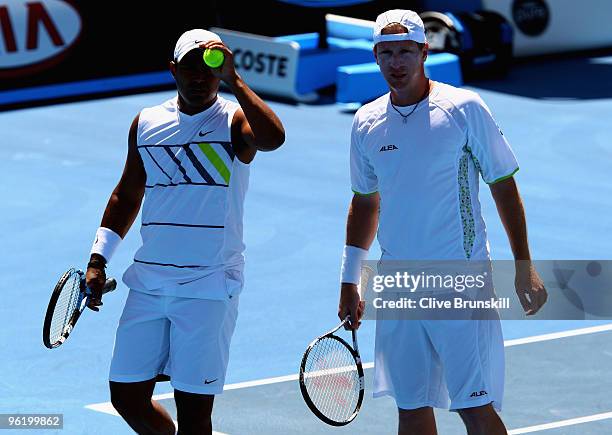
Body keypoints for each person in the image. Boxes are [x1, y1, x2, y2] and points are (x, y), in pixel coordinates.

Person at [337, 10, 547, 435]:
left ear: (424, 52)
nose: (396, 63)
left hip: (460, 277)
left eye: (405, 52)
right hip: (398, 282)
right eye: (387, 53)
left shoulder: (464, 108)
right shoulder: (366, 122)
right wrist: (350, 279)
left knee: (474, 407)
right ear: (376, 56)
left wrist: (524, 264)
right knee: (411, 408)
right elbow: (364, 202)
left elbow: (503, 184)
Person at [85, 29, 285, 435]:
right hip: (149, 283)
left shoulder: (233, 121)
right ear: (172, 70)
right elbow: (126, 194)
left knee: (194, 410)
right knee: (125, 395)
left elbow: (273, 138)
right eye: (190, 68)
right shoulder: (146, 123)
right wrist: (98, 258)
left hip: (208, 287)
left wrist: (236, 80)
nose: (200, 78)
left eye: (209, 71)